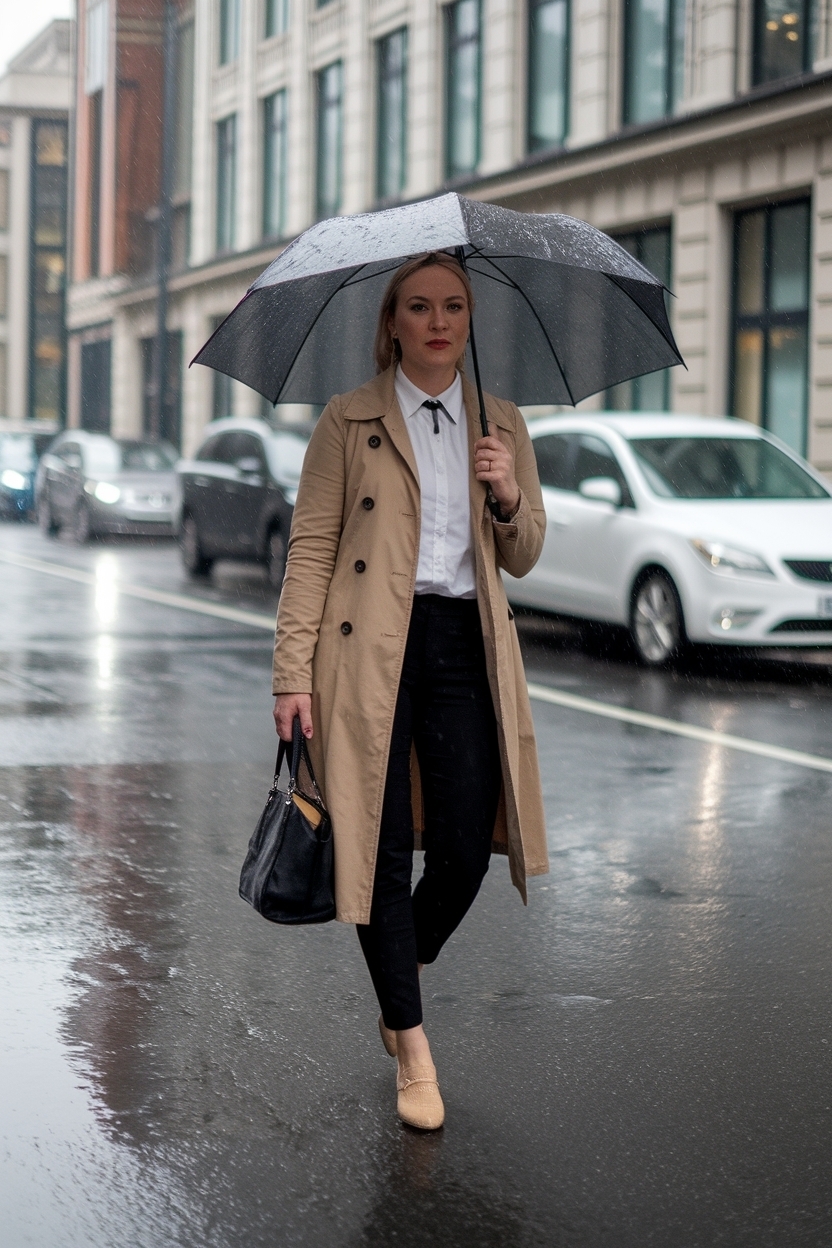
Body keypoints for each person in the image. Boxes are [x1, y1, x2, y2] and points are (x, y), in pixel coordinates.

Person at [272, 251, 549, 1131]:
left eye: (454, 306)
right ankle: (414, 1048)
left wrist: (507, 493)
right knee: (380, 851)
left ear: (471, 321)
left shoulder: (501, 422)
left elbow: (524, 553)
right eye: (420, 306)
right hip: (366, 652)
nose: (438, 322)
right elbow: (311, 550)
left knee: (466, 848)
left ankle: (401, 975)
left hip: (465, 645)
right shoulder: (347, 420)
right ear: (391, 322)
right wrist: (291, 673)